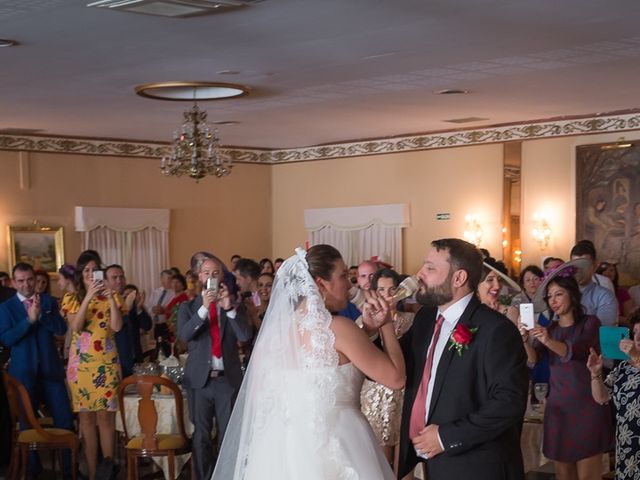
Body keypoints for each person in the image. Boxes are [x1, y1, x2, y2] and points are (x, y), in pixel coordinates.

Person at [212, 245, 405, 480]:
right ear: (321, 283)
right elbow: (396, 378)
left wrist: (368, 329)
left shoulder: (273, 336)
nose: (349, 283)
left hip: (281, 447)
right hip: (339, 441)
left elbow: (258, 398)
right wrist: (386, 325)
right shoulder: (339, 328)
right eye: (343, 275)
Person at [397, 238, 528, 480]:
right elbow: (395, 365)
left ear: (458, 278)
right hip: (424, 464)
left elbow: (509, 402)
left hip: (474, 466)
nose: (419, 274)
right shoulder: (426, 319)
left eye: (430, 267)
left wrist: (446, 437)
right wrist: (375, 327)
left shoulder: (496, 330)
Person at [521, 265, 613, 480]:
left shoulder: (590, 323)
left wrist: (547, 340)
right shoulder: (550, 330)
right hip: (559, 410)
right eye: (550, 296)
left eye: (559, 294)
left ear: (572, 294)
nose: (553, 300)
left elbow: (576, 350)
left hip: (587, 408)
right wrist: (525, 340)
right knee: (563, 475)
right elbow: (533, 359)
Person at [178, 252, 253, 480]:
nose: (211, 277)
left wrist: (229, 309)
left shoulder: (234, 306)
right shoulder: (188, 307)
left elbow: (245, 335)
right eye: (207, 273)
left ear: (222, 276)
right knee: (200, 436)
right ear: (200, 277)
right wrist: (204, 308)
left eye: (216, 273)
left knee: (227, 435)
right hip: (200, 382)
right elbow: (184, 335)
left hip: (226, 380)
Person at [0, 262, 73, 477]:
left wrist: (41, 316)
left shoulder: (49, 301)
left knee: (65, 421)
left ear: (35, 279)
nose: (26, 285)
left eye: (29, 279)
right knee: (27, 425)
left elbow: (61, 328)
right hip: (23, 375)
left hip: (52, 373)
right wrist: (28, 321)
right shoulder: (6, 308)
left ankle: (69, 470)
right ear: (14, 283)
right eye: (21, 281)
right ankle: (33, 470)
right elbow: (6, 338)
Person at [64, 252, 124, 480]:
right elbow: (77, 326)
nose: (90, 274)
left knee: (106, 419)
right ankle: (91, 474)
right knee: (86, 420)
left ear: (100, 271)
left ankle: (106, 473)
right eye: (86, 271)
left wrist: (109, 299)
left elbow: (117, 327)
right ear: (81, 274)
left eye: (94, 270)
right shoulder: (72, 298)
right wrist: (88, 297)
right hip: (80, 367)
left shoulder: (113, 297)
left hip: (106, 365)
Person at [360, 268, 414, 468]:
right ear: (374, 292)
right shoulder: (364, 322)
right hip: (374, 395)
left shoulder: (411, 320)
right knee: (379, 462)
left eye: (392, 289)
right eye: (381, 290)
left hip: (404, 394)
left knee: (404, 461)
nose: (387, 295)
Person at [588, 310, 640, 480]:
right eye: (635, 332)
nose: (637, 338)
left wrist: (636, 357)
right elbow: (601, 398)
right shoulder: (624, 367)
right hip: (627, 446)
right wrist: (595, 374)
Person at [105, 264, 152, 377]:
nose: (119, 281)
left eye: (121, 277)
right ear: (105, 281)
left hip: (136, 357)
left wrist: (139, 307)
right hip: (115, 359)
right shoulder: (104, 303)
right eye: (114, 277)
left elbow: (147, 326)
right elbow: (116, 328)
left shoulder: (130, 301)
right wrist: (127, 307)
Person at [596, 261, 637, 325]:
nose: (608, 273)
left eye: (612, 270)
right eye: (605, 270)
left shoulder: (622, 292)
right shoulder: (593, 292)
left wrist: (616, 319)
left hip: (617, 330)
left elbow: (630, 319)